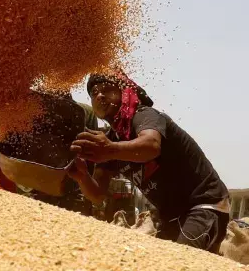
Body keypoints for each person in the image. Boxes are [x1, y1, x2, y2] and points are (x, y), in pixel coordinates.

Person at [67, 69, 230, 253]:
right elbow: (97, 195)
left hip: (203, 205)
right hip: (171, 216)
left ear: (125, 91)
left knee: (180, 262)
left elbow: (151, 145)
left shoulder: (144, 115)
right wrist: (82, 176)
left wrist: (110, 149)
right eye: (94, 93)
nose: (100, 96)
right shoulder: (112, 139)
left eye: (107, 89)